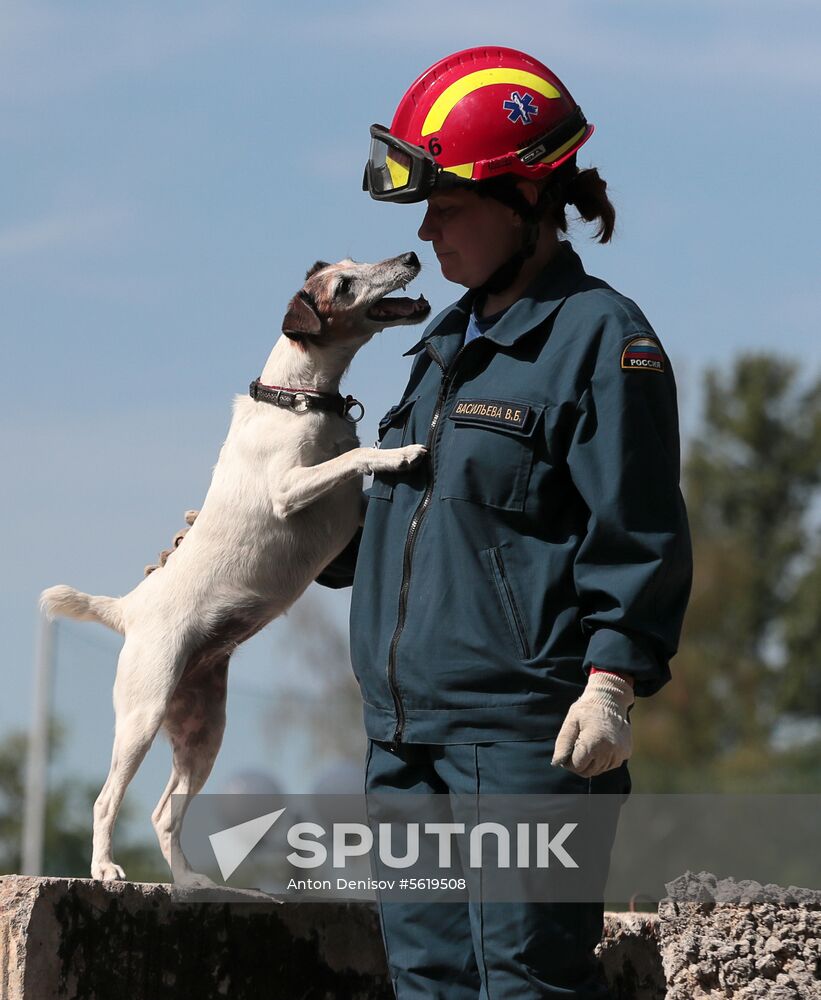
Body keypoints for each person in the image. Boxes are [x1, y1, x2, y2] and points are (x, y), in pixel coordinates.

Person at [315, 45, 693, 998]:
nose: (431, 235)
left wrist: (612, 681)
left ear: (525, 199)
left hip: (526, 739)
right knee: (428, 981)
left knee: (524, 981)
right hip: (403, 737)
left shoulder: (603, 340)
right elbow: (402, 527)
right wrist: (273, 531)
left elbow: (637, 529)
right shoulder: (443, 343)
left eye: (449, 209)